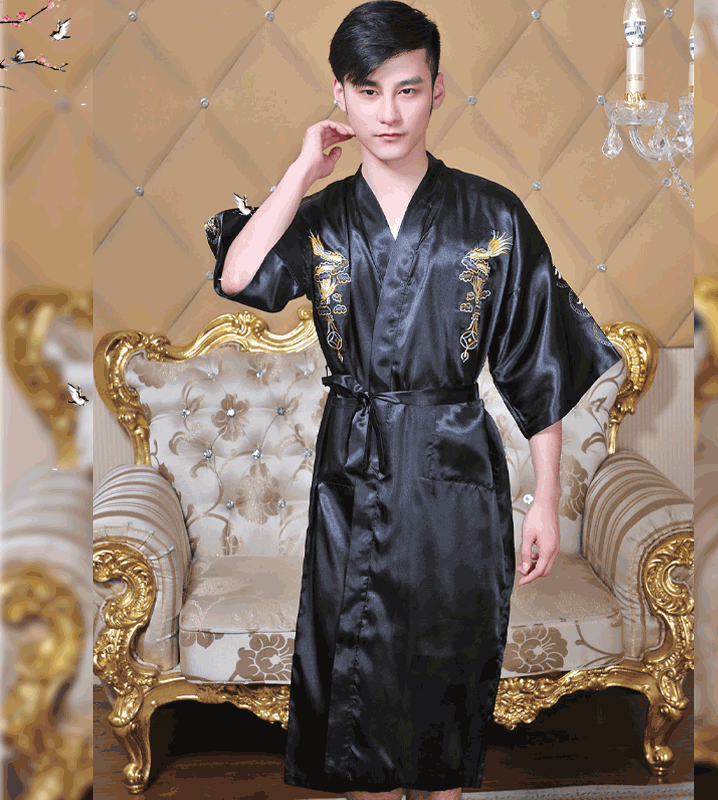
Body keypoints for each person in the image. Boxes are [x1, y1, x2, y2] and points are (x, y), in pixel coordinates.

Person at [205, 2, 623, 798]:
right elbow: (238, 276)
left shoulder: (491, 215)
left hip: (452, 468)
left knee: (446, 686)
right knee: (357, 693)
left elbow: (536, 360)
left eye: (407, 89)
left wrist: (545, 500)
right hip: (353, 467)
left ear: (438, 91)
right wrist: (301, 171)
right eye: (368, 91)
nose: (389, 113)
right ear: (341, 96)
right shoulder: (321, 218)